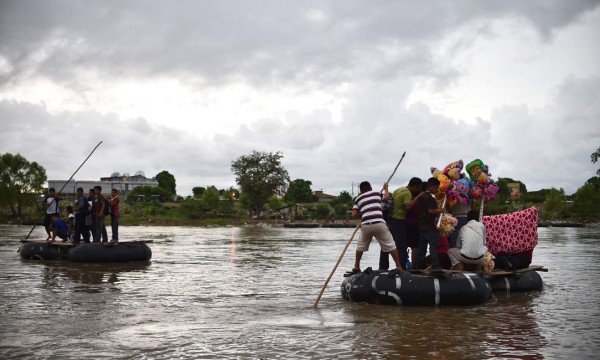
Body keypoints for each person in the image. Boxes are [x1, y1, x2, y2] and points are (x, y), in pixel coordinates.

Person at [350, 181, 403, 273]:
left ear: (360, 190)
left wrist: (364, 210)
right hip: (379, 223)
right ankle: (399, 267)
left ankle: (356, 266)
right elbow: (386, 198)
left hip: (366, 225)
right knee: (391, 245)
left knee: (360, 246)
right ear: (370, 188)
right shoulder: (376, 193)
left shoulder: (357, 199)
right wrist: (386, 188)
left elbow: (354, 215)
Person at [379, 177, 423, 270]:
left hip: (390, 220)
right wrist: (418, 197)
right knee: (401, 245)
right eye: (418, 188)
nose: (418, 190)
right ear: (415, 186)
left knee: (387, 243)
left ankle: (383, 267)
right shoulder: (408, 193)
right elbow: (408, 206)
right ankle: (402, 267)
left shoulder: (399, 189)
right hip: (398, 220)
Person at [415, 177, 446, 270]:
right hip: (429, 225)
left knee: (422, 247)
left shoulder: (421, 196)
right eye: (436, 188)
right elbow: (430, 211)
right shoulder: (430, 197)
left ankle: (419, 265)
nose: (436, 190)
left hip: (421, 225)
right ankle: (435, 265)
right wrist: (440, 210)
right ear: (430, 186)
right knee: (433, 245)